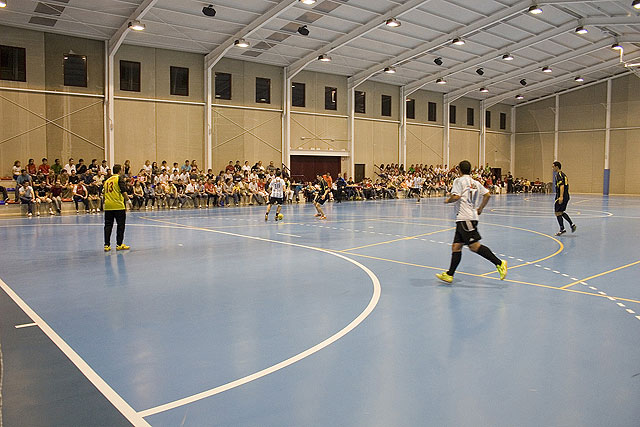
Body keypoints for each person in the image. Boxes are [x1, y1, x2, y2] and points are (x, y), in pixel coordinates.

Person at [436, 160, 507, 284]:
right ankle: (449, 275)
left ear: (459, 170)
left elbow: (456, 196)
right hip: (467, 218)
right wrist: (480, 208)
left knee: (474, 246)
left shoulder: (458, 181)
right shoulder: (475, 182)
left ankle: (500, 263)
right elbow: (487, 194)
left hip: (465, 219)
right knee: (456, 247)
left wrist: (448, 200)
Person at [103, 164, 129, 251]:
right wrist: (128, 201)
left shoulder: (107, 180)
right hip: (118, 205)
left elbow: (104, 193)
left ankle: (107, 245)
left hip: (108, 206)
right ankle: (119, 244)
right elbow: (123, 191)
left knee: (108, 225)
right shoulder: (119, 179)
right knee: (120, 225)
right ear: (119, 171)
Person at [552, 161, 576, 236]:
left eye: (553, 166)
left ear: (557, 167)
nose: (552, 168)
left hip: (561, 196)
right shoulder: (564, 175)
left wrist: (561, 196)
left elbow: (562, 186)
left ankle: (562, 229)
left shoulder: (558, 175)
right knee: (561, 212)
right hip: (566, 196)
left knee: (557, 212)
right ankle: (572, 224)